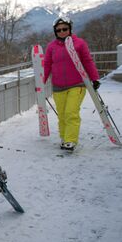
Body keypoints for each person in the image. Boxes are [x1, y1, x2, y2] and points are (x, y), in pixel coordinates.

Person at [43, 17, 100, 151]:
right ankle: (64, 138)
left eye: (65, 29)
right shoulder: (51, 47)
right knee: (62, 114)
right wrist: (41, 82)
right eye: (58, 30)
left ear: (70, 29)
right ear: (55, 31)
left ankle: (70, 140)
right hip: (58, 87)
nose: (62, 32)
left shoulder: (79, 43)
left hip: (77, 84)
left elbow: (87, 61)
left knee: (71, 112)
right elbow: (47, 65)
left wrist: (94, 78)